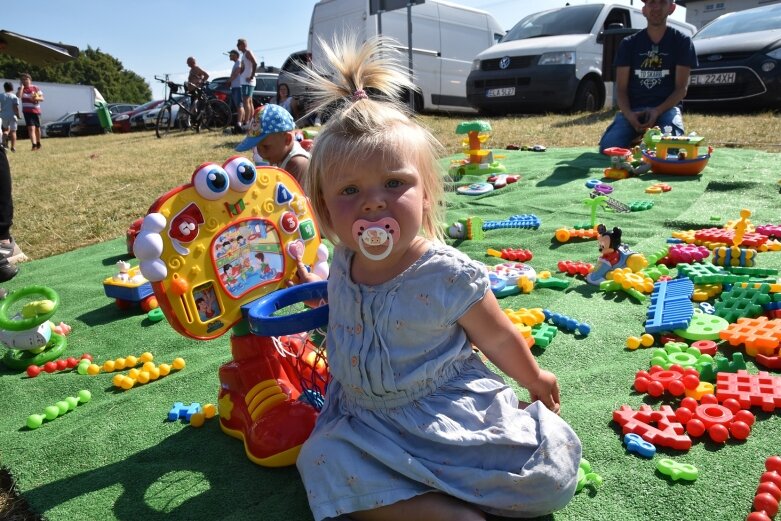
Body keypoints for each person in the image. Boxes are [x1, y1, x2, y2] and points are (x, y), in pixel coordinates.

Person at [292, 36, 581, 521]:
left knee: (547, 477)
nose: (373, 203)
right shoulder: (342, 262)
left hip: (443, 414)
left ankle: (435, 492)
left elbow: (497, 335)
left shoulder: (445, 273)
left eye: (393, 183)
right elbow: (352, 314)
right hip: (364, 421)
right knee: (318, 459)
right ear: (325, 209)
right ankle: (436, 511)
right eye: (350, 190)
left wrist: (534, 376)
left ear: (426, 194)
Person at [598, 0, 697, 153]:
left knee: (671, 151)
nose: (656, 7)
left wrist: (657, 111)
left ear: (672, 8)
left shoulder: (682, 42)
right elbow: (621, 90)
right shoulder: (628, 44)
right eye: (651, 2)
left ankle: (647, 140)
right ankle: (636, 138)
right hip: (633, 110)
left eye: (662, 2)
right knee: (608, 149)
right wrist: (629, 115)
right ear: (644, 10)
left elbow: (681, 89)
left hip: (666, 110)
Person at [235, 104, 310, 183]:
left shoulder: (296, 164)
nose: (261, 154)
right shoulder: (281, 157)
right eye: (257, 146)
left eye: (266, 147)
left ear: (287, 139)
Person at [17, 73, 44, 151]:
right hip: (27, 111)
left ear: (30, 80)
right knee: (30, 128)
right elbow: (19, 96)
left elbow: (42, 98)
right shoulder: (20, 89)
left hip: (36, 111)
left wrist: (35, 99)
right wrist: (22, 88)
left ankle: (38, 143)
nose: (24, 81)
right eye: (22, 79)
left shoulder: (35, 88)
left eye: (26, 79)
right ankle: (34, 145)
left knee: (37, 129)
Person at [237, 38, 257, 129]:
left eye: (239, 44)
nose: (237, 46)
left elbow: (255, 63)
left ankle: (246, 122)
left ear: (243, 44)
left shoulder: (248, 52)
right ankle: (251, 121)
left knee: (246, 101)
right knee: (249, 101)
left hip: (248, 81)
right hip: (245, 81)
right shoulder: (244, 55)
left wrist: (251, 76)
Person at [185, 57, 209, 123]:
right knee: (193, 106)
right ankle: (194, 121)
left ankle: (199, 122)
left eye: (188, 62)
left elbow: (206, 75)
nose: (187, 64)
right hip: (192, 90)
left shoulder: (197, 68)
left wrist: (201, 82)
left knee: (197, 106)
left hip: (197, 89)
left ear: (192, 62)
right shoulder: (191, 70)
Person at [227, 49, 244, 134]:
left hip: (238, 87)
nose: (229, 56)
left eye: (231, 54)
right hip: (235, 87)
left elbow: (236, 73)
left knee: (239, 105)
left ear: (236, 55)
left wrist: (229, 81)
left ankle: (239, 123)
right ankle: (240, 122)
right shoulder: (236, 63)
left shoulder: (238, 62)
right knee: (238, 105)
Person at [1, 82, 19, 152]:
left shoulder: (1, 95)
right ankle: (13, 147)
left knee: (5, 130)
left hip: (3, 116)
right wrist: (18, 115)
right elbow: (15, 107)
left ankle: (3, 144)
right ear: (12, 88)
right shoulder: (14, 96)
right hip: (12, 116)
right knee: (13, 132)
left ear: (4, 88)